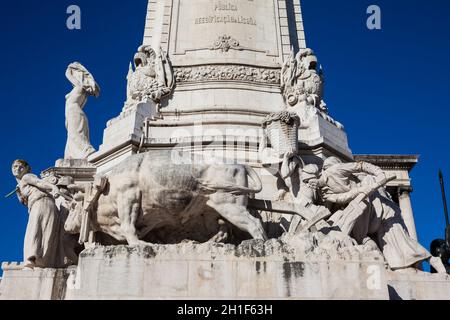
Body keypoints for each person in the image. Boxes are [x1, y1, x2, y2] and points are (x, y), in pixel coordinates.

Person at [314, 157, 447, 273]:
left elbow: (361, 166)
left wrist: (378, 174)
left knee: (398, 238)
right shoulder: (325, 191)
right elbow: (341, 198)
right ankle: (385, 261)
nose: (311, 184)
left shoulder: (335, 169)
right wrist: (361, 190)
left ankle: (428, 261)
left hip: (375, 206)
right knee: (376, 237)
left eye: (310, 182)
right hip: (362, 207)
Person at [12, 160, 64, 268]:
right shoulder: (21, 184)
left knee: (36, 230)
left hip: (42, 203)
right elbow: (26, 201)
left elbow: (39, 182)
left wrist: (53, 187)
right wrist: (19, 193)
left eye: (21, 166)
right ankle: (39, 259)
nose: (17, 168)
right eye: (15, 166)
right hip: (40, 204)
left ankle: (34, 259)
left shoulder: (26, 177)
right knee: (41, 231)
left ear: (27, 169)